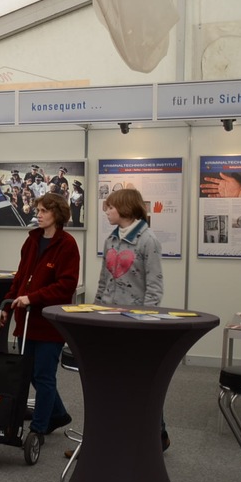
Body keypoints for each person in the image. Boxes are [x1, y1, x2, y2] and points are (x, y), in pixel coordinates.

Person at [0, 192, 79, 444]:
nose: (38, 214)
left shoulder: (67, 244)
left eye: (44, 210)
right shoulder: (32, 240)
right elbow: (21, 278)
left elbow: (66, 286)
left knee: (44, 376)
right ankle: (58, 414)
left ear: (57, 214)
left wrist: (33, 298)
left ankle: (39, 428)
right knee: (30, 373)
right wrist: (7, 306)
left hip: (49, 323)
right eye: (38, 210)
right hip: (26, 321)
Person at [96, 187, 170, 451]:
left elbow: (154, 285)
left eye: (110, 208)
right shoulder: (110, 240)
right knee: (111, 379)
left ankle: (156, 433)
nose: (106, 212)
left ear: (126, 209)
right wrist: (95, 312)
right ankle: (112, 435)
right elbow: (104, 280)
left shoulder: (148, 240)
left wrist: (146, 321)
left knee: (140, 379)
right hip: (108, 318)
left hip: (135, 321)